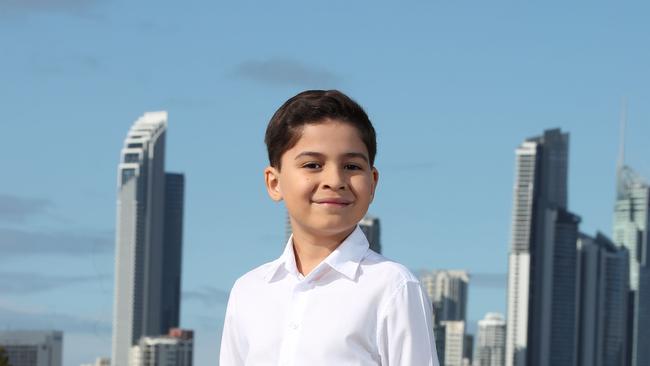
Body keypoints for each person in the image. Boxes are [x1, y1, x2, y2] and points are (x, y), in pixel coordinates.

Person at [219, 90, 439, 366]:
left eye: (351, 166)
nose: (335, 180)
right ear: (274, 183)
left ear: (373, 182)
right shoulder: (249, 291)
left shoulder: (393, 287)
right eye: (313, 165)